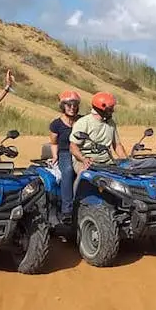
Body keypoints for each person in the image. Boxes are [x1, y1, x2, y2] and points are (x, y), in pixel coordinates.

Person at [69, 92, 128, 175]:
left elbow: (117, 145)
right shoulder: (84, 122)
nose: (113, 111)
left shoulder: (111, 123)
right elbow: (73, 146)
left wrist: (126, 161)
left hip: (107, 161)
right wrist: (84, 159)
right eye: (110, 109)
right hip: (85, 161)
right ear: (101, 109)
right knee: (87, 177)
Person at [48, 90, 82, 223]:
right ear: (63, 106)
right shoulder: (56, 124)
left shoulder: (81, 120)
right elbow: (54, 143)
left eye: (74, 105)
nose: (72, 108)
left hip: (80, 152)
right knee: (67, 171)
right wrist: (55, 156)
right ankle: (66, 210)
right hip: (64, 152)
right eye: (69, 105)